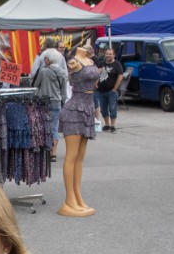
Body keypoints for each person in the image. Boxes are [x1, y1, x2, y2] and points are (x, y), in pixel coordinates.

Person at [57, 45, 99, 217]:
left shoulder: (89, 60)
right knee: (71, 156)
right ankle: (69, 199)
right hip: (75, 110)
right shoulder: (73, 62)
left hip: (88, 107)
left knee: (80, 157)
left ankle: (77, 196)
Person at [32, 54, 68, 162]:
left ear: (50, 59)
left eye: (46, 58)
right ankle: (54, 153)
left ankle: (45, 149)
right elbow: (64, 88)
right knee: (54, 127)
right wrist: (63, 100)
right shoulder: (62, 72)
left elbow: (36, 84)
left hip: (44, 100)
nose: (44, 60)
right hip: (56, 101)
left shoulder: (43, 71)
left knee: (43, 125)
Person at [95, 47, 124, 133]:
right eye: (107, 54)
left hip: (111, 91)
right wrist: (96, 83)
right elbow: (97, 73)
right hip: (101, 91)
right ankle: (107, 125)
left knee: (112, 108)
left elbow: (120, 76)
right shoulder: (102, 63)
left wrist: (115, 88)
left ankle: (113, 126)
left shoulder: (117, 64)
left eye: (110, 54)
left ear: (114, 55)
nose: (108, 56)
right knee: (103, 109)